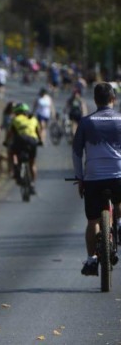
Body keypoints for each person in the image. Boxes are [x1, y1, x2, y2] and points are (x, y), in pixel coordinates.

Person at [72, 82, 121, 276]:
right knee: (119, 199)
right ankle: (119, 223)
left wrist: (80, 177)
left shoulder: (85, 122)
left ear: (95, 100)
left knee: (93, 221)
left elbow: (76, 153)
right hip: (118, 175)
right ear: (113, 99)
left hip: (93, 178)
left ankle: (91, 260)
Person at [6, 103, 41, 194]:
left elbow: (10, 133)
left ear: (16, 113)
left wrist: (6, 142)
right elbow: (38, 132)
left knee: (12, 153)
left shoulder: (15, 119)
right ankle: (32, 184)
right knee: (32, 163)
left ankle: (14, 170)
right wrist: (40, 141)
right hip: (32, 141)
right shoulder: (33, 119)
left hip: (20, 140)